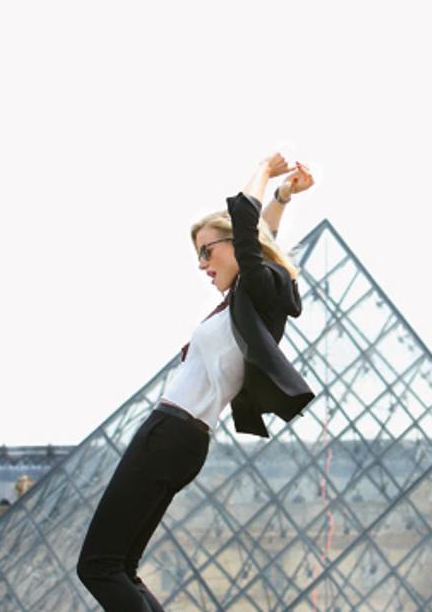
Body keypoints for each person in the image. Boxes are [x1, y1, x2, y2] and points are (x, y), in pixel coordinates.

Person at [76, 153, 317, 611]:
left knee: (98, 566)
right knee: (121, 568)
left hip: (169, 432)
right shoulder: (253, 299)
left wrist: (265, 172)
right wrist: (283, 196)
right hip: (187, 440)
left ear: (234, 246)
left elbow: (249, 231)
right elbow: (261, 234)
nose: (203, 264)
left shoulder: (256, 287)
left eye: (208, 250)